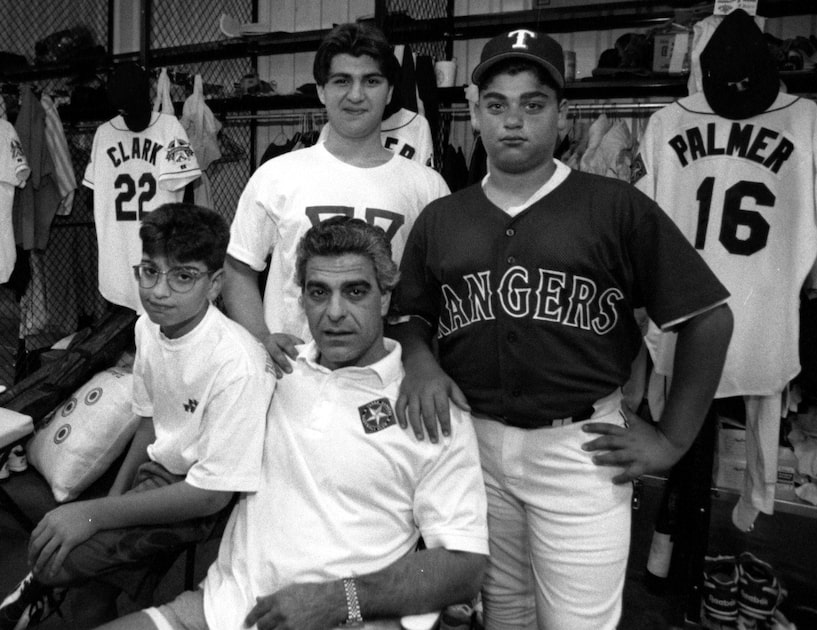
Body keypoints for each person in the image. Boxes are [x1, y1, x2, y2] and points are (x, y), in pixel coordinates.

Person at [389, 29, 734, 629]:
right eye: (496, 104)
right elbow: (412, 312)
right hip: (475, 442)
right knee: (505, 614)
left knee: (578, 621)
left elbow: (708, 317)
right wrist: (419, 359)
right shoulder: (443, 216)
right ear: (474, 113)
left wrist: (673, 440)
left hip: (581, 448)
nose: (513, 121)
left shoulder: (616, 206)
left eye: (534, 103)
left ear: (563, 114)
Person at [95, 216, 489, 630]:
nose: (335, 312)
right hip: (220, 610)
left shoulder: (426, 406)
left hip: (345, 619)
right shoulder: (272, 371)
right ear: (301, 299)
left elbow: (464, 567)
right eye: (319, 292)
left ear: (386, 298)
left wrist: (339, 601)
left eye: (355, 292)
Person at [0, 203, 275, 630]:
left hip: (208, 499)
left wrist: (92, 516)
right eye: (150, 271)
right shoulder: (147, 327)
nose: (159, 291)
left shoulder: (236, 363)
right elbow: (148, 425)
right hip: (162, 474)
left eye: (182, 276)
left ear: (215, 283)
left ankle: (50, 587)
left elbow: (212, 496)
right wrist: (112, 503)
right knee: (82, 580)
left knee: (61, 559)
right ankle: (71, 594)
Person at [222, 21, 449, 378]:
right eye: (342, 81)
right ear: (321, 90)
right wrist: (260, 338)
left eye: (371, 81)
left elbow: (436, 294)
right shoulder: (276, 175)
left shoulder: (426, 185)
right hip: (294, 378)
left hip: (389, 378)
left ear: (390, 92)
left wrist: (423, 362)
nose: (356, 95)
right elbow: (238, 268)